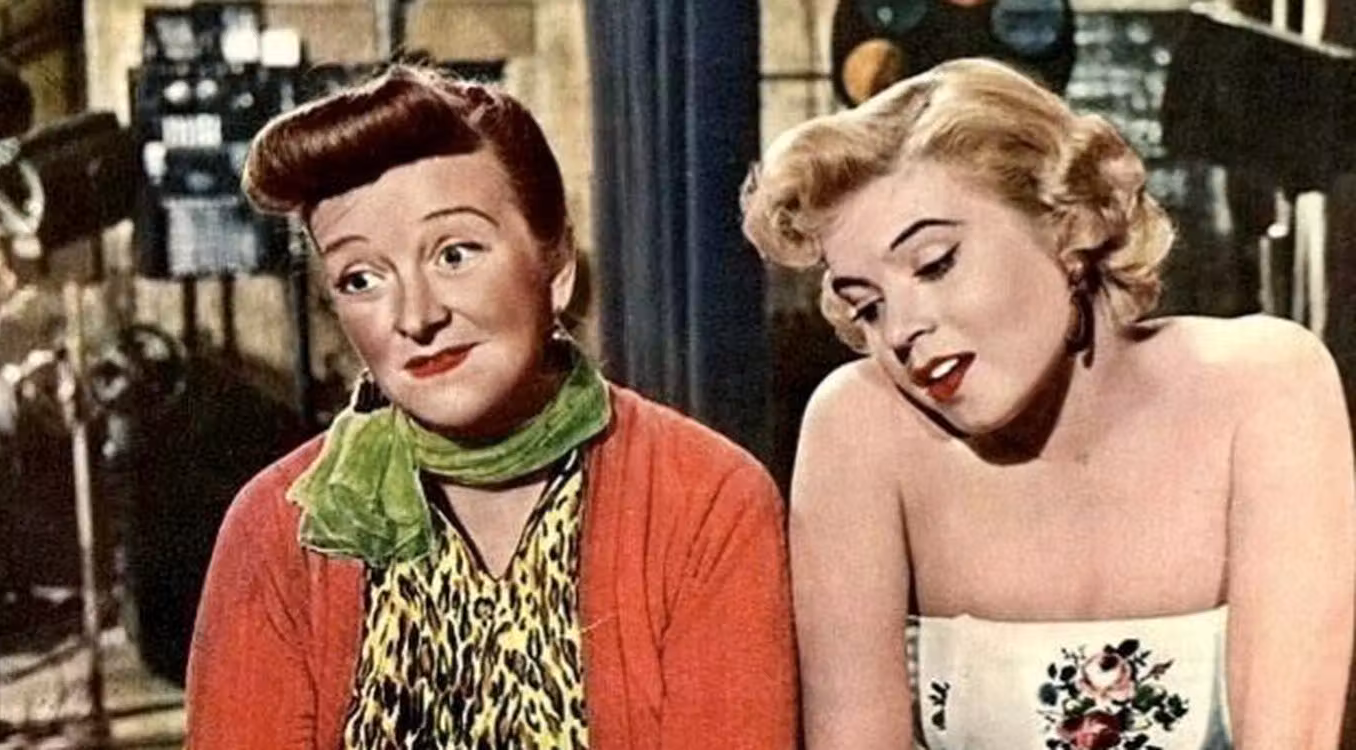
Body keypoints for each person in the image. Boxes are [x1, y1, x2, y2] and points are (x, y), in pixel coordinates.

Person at [741, 58, 1354, 750]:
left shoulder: (1265, 386)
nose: (901, 330)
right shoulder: (860, 427)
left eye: (936, 263)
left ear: (1067, 225)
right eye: (868, 306)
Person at [186, 63, 797, 749]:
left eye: (455, 254)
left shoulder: (707, 501)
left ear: (556, 266)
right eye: (361, 279)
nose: (416, 316)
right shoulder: (275, 531)